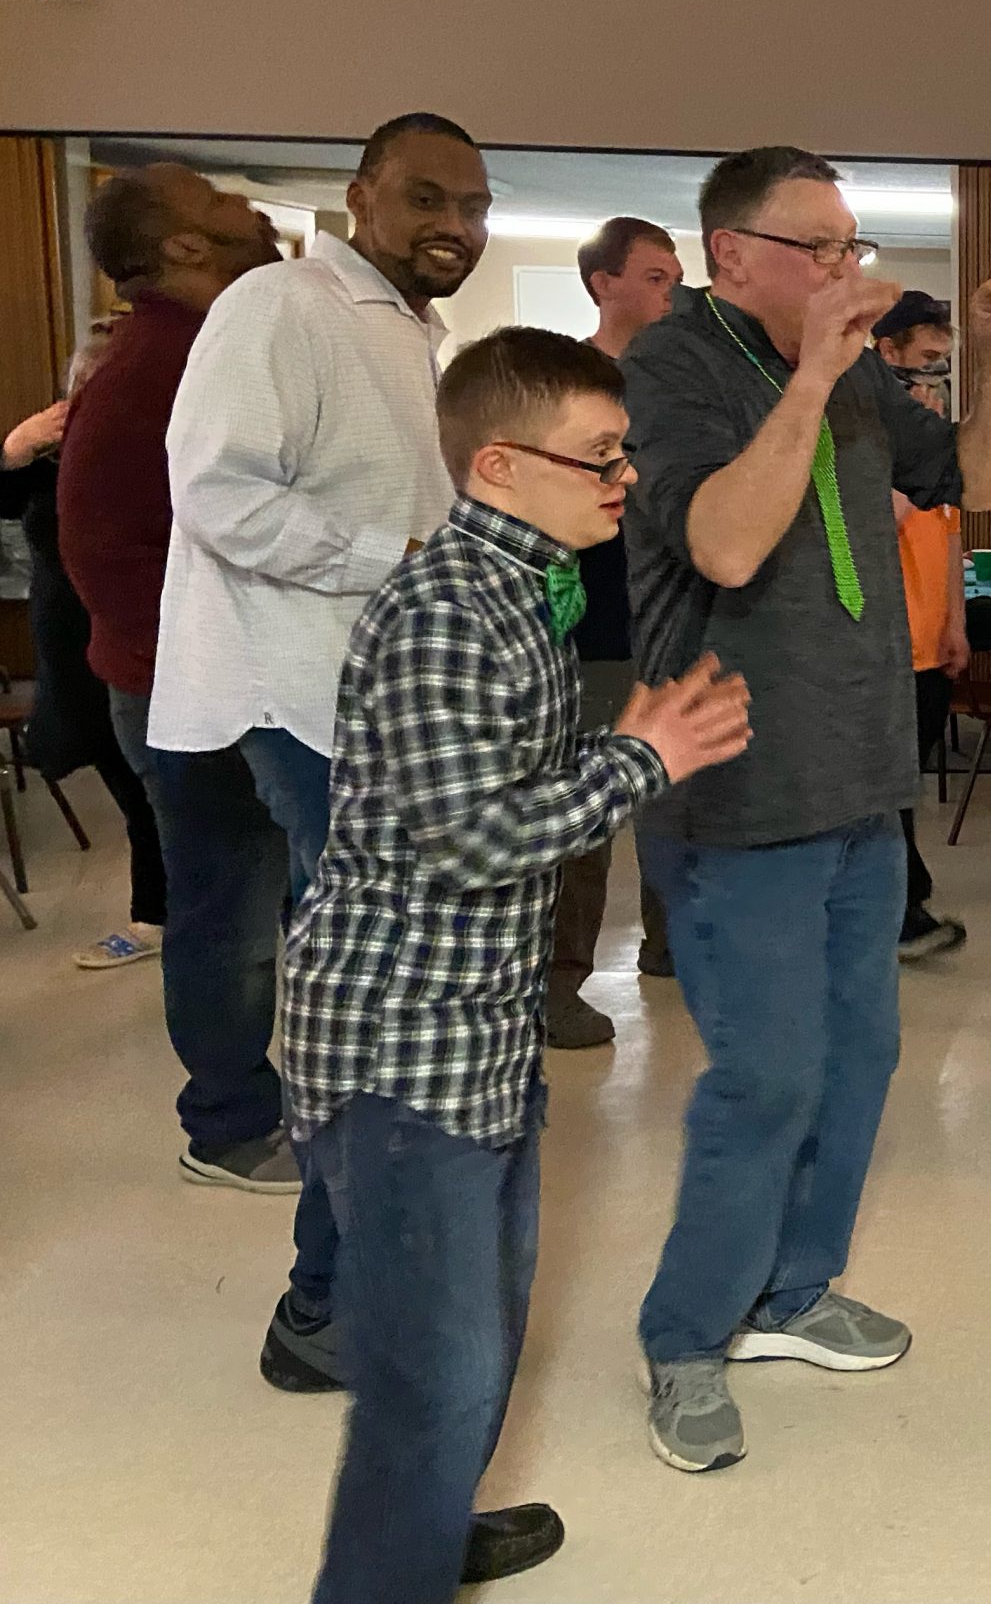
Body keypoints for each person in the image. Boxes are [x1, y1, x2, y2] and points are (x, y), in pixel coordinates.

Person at [282, 328, 752, 1603]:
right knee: (432, 1375)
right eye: (600, 458)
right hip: (400, 1048)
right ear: (497, 465)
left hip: (472, 1036)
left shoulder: (518, 588)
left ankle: (425, 1520)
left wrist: (626, 746)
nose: (625, 480)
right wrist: (644, 757)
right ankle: (390, 1565)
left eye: (624, 453)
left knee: (475, 1348)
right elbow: (471, 837)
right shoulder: (448, 611)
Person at [622, 145, 991, 1476]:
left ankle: (790, 1292)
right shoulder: (671, 371)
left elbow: (974, 481)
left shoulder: (855, 366)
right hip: (742, 785)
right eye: (820, 249)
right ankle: (688, 1335)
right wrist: (808, 372)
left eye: (852, 248)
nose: (846, 274)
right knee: (766, 1077)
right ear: (730, 252)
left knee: (861, 1059)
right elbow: (728, 544)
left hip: (862, 778)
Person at [153, 114, 486, 1397]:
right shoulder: (282, 302)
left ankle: (342, 1299)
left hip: (371, 707)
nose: (449, 220)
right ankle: (332, 1309)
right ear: (360, 196)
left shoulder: (408, 334)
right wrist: (391, 561)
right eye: (422, 196)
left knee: (377, 1006)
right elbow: (220, 495)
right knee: (383, 1007)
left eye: (470, 200)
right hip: (292, 696)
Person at [59, 167, 280, 1021]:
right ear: (184, 243)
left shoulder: (177, 347)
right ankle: (229, 1127)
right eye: (218, 200)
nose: (247, 208)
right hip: (194, 691)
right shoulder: (183, 357)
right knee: (229, 919)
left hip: (184, 677)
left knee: (247, 907)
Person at [546, 216, 685, 1048]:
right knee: (590, 812)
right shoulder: (569, 383)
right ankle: (561, 980)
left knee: (676, 789)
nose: (674, 292)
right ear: (606, 283)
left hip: (674, 617)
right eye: (657, 276)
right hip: (595, 622)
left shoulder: (678, 384)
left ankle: (672, 947)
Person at [0, 327, 166, 967]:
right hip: (68, 642)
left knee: (145, 783)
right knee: (120, 771)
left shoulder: (146, 451)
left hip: (131, 638)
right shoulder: (51, 459)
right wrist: (15, 448)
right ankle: (162, 910)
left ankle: (155, 915)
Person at [878, 291, 970, 962]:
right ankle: (900, 912)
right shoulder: (873, 438)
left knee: (903, 786)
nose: (935, 381)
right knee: (888, 792)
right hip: (887, 648)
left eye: (944, 366)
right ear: (888, 355)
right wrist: (916, 471)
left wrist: (958, 624)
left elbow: (952, 541)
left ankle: (905, 902)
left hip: (933, 645)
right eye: (926, 363)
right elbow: (879, 526)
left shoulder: (932, 443)